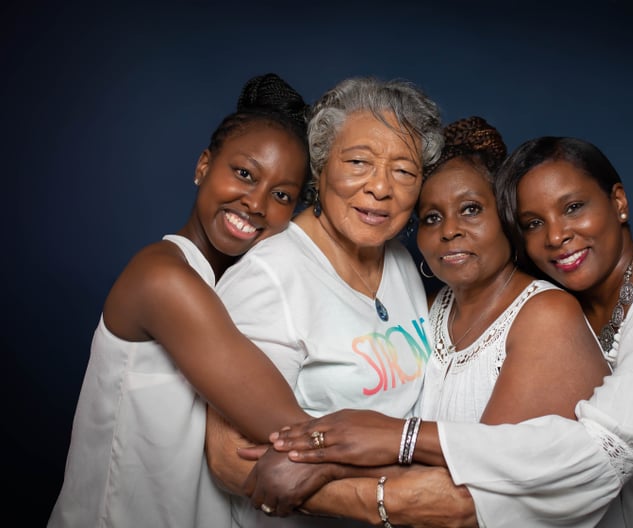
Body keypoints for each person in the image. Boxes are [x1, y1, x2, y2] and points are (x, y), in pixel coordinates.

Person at [269, 135, 633, 527]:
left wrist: (378, 446)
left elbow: (601, 451)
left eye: (573, 208)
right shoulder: (569, 303)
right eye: (534, 222)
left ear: (619, 201)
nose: (557, 235)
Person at [235, 118, 611, 525]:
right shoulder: (432, 308)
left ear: (506, 217)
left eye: (470, 210)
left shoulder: (544, 314)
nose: (450, 230)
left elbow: (482, 481)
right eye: (431, 217)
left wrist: (328, 463)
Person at [47, 73, 314, 527]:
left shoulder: (243, 288)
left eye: (281, 195)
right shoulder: (164, 279)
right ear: (203, 166)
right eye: (244, 174)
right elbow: (294, 432)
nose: (255, 203)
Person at [202, 75, 444, 527]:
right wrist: (393, 498)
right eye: (358, 162)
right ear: (320, 168)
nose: (381, 187)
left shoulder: (401, 261)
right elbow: (230, 459)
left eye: (404, 171)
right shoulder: (270, 277)